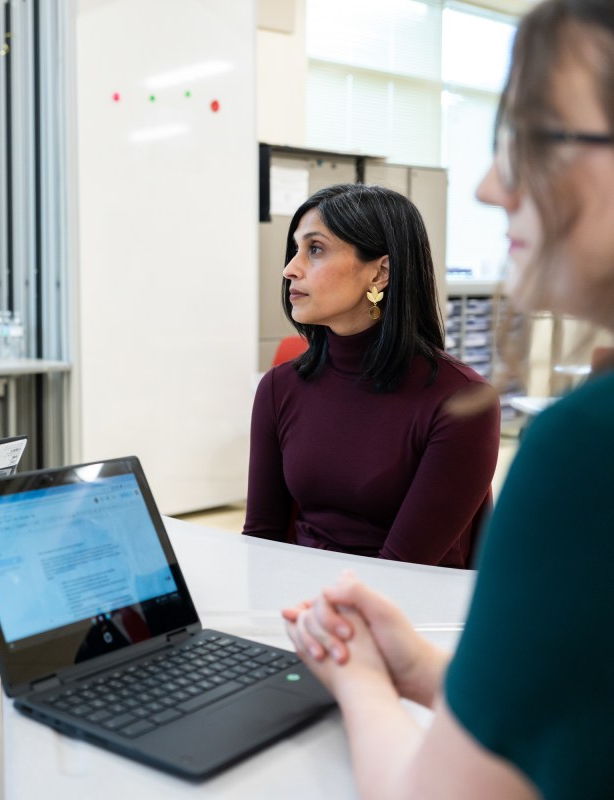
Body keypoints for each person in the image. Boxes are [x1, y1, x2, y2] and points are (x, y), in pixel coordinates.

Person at [285, 1, 614, 796]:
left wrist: (359, 677)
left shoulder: (582, 451)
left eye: (537, 139)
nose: (492, 184)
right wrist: (427, 670)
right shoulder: (284, 384)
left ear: (379, 273)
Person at [243, 182, 500, 567]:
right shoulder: (280, 387)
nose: (289, 269)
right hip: (298, 603)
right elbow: (260, 542)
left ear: (380, 273)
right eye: (296, 249)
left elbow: (404, 568)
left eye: (315, 249)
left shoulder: (462, 402)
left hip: (404, 613)